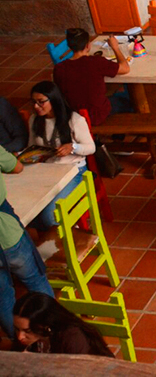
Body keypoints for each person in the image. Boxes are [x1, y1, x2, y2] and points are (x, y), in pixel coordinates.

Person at [0, 144, 54, 341]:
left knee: (2, 296)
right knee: (35, 280)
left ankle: (21, 342)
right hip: (6, 233)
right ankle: (50, 333)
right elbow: (16, 167)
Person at [25, 82, 96, 231]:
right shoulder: (35, 120)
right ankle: (57, 233)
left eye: (41, 102)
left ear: (53, 100)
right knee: (25, 212)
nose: (37, 106)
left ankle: (66, 236)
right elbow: (32, 146)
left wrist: (73, 147)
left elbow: (91, 148)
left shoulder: (73, 119)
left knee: (48, 215)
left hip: (73, 172)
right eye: (34, 102)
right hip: (46, 171)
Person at [52, 28, 130, 127]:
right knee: (127, 98)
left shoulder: (59, 68)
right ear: (88, 46)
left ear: (69, 46)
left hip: (74, 115)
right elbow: (125, 68)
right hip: (96, 115)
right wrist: (115, 47)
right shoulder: (96, 62)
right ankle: (121, 131)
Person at [12, 292, 112, 357]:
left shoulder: (72, 337)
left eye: (27, 331)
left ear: (45, 324)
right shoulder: (30, 341)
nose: (20, 337)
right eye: (17, 329)